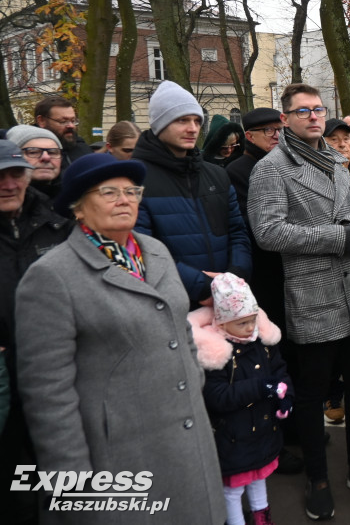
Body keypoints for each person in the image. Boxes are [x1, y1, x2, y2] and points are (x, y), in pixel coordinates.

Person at [16, 153, 226, 523]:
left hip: (187, 442)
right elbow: (48, 396)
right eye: (108, 191)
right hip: (120, 459)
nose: (124, 199)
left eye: (132, 191)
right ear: (78, 208)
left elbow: (180, 329)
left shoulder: (156, 251)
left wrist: (193, 381)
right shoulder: (52, 276)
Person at [248, 83, 350, 520]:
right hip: (313, 294)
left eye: (318, 109)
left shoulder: (337, 160)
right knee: (313, 394)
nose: (314, 117)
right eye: (302, 111)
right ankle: (317, 478)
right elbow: (269, 232)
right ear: (286, 119)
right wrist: (338, 236)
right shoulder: (272, 169)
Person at [224, 107, 304, 474]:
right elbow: (257, 227)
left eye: (278, 129)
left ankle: (295, 425)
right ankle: (280, 437)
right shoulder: (240, 171)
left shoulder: (283, 163)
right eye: (267, 131)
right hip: (264, 278)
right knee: (271, 357)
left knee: (292, 357)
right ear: (249, 136)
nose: (276, 136)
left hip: (287, 274)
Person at [0, 141, 74, 523]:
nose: (9, 184)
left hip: (53, 375)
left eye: (15, 174)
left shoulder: (57, 225)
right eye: (0, 176)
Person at [132, 81, 252, 309]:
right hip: (170, 304)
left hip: (228, 298)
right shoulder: (136, 178)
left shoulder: (217, 175)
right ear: (159, 124)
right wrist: (203, 286)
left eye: (197, 120)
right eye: (182, 120)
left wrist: (234, 277)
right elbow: (141, 250)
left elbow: (237, 232)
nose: (193, 128)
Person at [190, 274, 294, 525]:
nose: (250, 328)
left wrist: (286, 398)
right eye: (242, 323)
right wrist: (261, 387)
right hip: (233, 439)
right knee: (233, 490)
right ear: (222, 324)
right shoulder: (216, 354)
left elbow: (280, 373)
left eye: (252, 320)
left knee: (259, 479)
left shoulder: (262, 342)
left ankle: (262, 518)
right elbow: (217, 396)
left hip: (262, 433)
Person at [6, 125, 64, 200]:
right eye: (33, 152)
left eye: (53, 152)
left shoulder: (77, 195)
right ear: (14, 156)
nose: (46, 157)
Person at [33, 96, 92, 163]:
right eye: (63, 121)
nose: (71, 126)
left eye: (73, 121)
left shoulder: (83, 150)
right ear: (41, 121)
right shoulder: (28, 153)